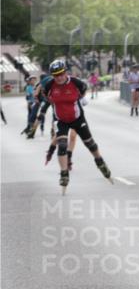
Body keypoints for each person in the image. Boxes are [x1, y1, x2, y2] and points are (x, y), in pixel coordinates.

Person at [33, 59, 112, 191]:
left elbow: (83, 92)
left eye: (61, 74)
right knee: (62, 145)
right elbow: (45, 96)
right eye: (56, 75)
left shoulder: (76, 83)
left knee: (90, 143)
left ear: (66, 72)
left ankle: (100, 162)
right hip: (60, 120)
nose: (59, 77)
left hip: (77, 118)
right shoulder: (49, 85)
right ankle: (64, 173)